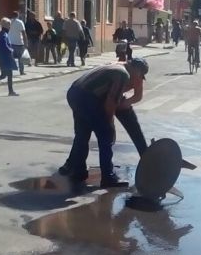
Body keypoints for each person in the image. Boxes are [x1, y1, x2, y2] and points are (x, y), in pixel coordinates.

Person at [58, 57, 149, 188]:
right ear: (137, 71)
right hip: (87, 97)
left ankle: (78, 171)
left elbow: (126, 98)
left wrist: (125, 102)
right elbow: (111, 102)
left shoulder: (119, 66)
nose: (139, 80)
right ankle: (108, 177)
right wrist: (110, 124)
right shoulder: (122, 75)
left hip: (75, 92)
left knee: (82, 134)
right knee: (106, 135)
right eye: (140, 76)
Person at [9, 10, 27, 75]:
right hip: (19, 42)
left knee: (11, 57)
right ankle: (21, 71)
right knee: (20, 58)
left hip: (11, 42)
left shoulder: (9, 22)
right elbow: (23, 33)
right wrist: (26, 42)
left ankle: (9, 71)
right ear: (18, 15)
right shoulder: (20, 22)